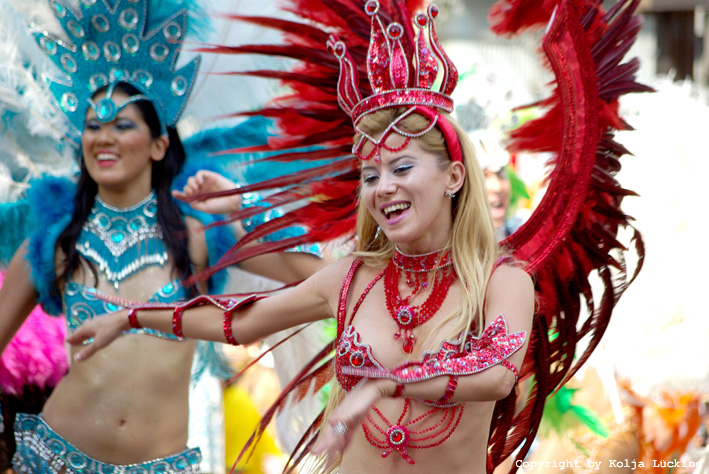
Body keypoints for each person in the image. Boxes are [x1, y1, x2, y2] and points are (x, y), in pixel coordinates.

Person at [65, 8, 536, 474]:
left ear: (454, 176)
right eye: (370, 175)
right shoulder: (353, 278)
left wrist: (385, 385)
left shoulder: (502, 280)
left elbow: (494, 374)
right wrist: (130, 317)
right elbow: (242, 321)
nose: (383, 187)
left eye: (402, 168)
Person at [0, 1, 322, 472]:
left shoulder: (194, 234)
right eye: (93, 125)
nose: (103, 138)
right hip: (55, 460)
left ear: (159, 144)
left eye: (121, 125)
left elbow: (312, 276)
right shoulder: (56, 241)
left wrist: (242, 204)